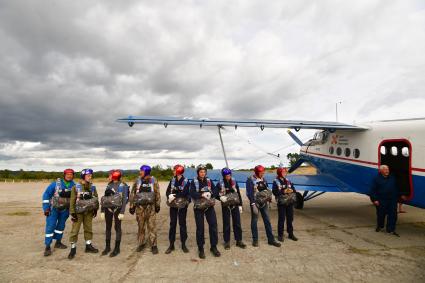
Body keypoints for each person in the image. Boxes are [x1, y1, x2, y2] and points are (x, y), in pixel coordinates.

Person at [41, 168, 76, 256]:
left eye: (71, 174)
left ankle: (58, 242)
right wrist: (46, 208)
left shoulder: (74, 185)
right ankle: (48, 246)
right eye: (67, 174)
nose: (69, 176)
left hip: (65, 210)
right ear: (64, 175)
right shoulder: (55, 184)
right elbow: (46, 195)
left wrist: (74, 212)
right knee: (50, 226)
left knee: (60, 226)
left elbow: (75, 199)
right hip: (53, 209)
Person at [190, 165, 221, 259]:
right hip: (198, 207)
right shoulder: (194, 181)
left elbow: (216, 190)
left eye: (204, 172)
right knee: (200, 228)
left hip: (209, 207)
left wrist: (211, 193)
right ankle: (201, 248)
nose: (202, 173)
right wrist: (202, 194)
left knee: (213, 226)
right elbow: (192, 193)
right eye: (201, 172)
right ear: (198, 173)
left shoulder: (209, 181)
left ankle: (213, 246)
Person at [246, 165, 281, 248]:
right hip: (255, 203)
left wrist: (269, 198)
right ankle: (255, 240)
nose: (263, 174)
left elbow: (267, 189)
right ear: (257, 172)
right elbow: (249, 193)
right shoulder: (250, 179)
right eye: (261, 173)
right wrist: (252, 204)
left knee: (267, 221)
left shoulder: (264, 179)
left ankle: (271, 240)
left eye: (263, 172)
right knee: (254, 221)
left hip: (264, 203)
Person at [129, 165, 161, 254]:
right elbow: (133, 193)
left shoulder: (154, 180)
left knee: (152, 227)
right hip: (140, 208)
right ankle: (141, 243)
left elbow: (157, 193)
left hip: (151, 208)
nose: (140, 172)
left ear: (146, 171)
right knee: (141, 226)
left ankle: (154, 245)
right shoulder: (137, 180)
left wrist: (158, 205)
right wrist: (132, 206)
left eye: (141, 171)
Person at [68, 169, 99, 259]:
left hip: (89, 212)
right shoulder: (76, 187)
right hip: (78, 213)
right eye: (88, 175)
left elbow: (96, 198)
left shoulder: (93, 187)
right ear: (83, 176)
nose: (90, 177)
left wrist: (95, 209)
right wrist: (72, 213)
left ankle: (88, 246)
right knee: (75, 230)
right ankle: (73, 249)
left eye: (91, 175)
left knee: (88, 228)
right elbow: (72, 200)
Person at [214, 168, 246, 250]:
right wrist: (220, 197)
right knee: (226, 224)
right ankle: (227, 241)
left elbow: (238, 193)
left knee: (237, 223)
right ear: (224, 176)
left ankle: (239, 240)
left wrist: (240, 205)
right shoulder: (220, 183)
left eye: (229, 175)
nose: (228, 177)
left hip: (235, 204)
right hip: (226, 206)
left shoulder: (234, 181)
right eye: (227, 176)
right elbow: (214, 193)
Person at [370, 165, 406, 236]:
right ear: (380, 171)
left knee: (393, 215)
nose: (387, 171)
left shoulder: (392, 178)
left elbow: (397, 187)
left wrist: (401, 195)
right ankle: (380, 226)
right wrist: (375, 199)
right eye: (385, 169)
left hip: (392, 200)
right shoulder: (376, 179)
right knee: (381, 214)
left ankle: (391, 229)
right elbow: (373, 190)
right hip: (381, 200)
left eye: (388, 169)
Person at [100, 170, 129, 257]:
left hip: (118, 209)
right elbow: (105, 198)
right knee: (108, 227)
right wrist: (102, 210)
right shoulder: (109, 185)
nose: (109, 177)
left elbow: (124, 199)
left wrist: (122, 212)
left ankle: (117, 248)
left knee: (117, 227)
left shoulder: (123, 185)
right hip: (108, 209)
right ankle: (107, 247)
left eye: (110, 175)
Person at [165, 164, 190, 254]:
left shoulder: (186, 181)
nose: (173, 171)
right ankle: (171, 244)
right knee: (173, 224)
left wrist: (174, 195)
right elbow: (168, 191)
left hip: (182, 205)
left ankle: (183, 244)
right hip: (173, 205)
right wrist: (169, 195)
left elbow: (185, 193)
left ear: (179, 171)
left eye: (174, 170)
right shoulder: (172, 180)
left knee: (182, 224)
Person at [272, 167, 298, 242]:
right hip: (282, 203)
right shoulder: (276, 181)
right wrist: (283, 191)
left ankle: (290, 234)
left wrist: (291, 190)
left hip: (289, 202)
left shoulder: (288, 180)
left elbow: (294, 190)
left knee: (290, 218)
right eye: (283, 172)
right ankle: (280, 235)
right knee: (281, 219)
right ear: (279, 173)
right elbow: (274, 192)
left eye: (285, 172)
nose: (285, 173)